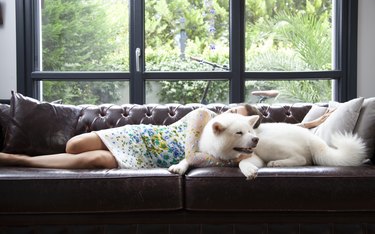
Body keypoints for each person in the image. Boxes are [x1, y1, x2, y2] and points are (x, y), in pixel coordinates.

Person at [0, 104, 259, 169]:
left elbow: (204, 158)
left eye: (239, 114)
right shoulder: (204, 116)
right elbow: (192, 155)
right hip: (142, 136)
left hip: (147, 159)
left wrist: (238, 156)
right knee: (73, 145)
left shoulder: (232, 146)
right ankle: (34, 158)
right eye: (232, 109)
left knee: (93, 161)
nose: (230, 114)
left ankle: (23, 160)